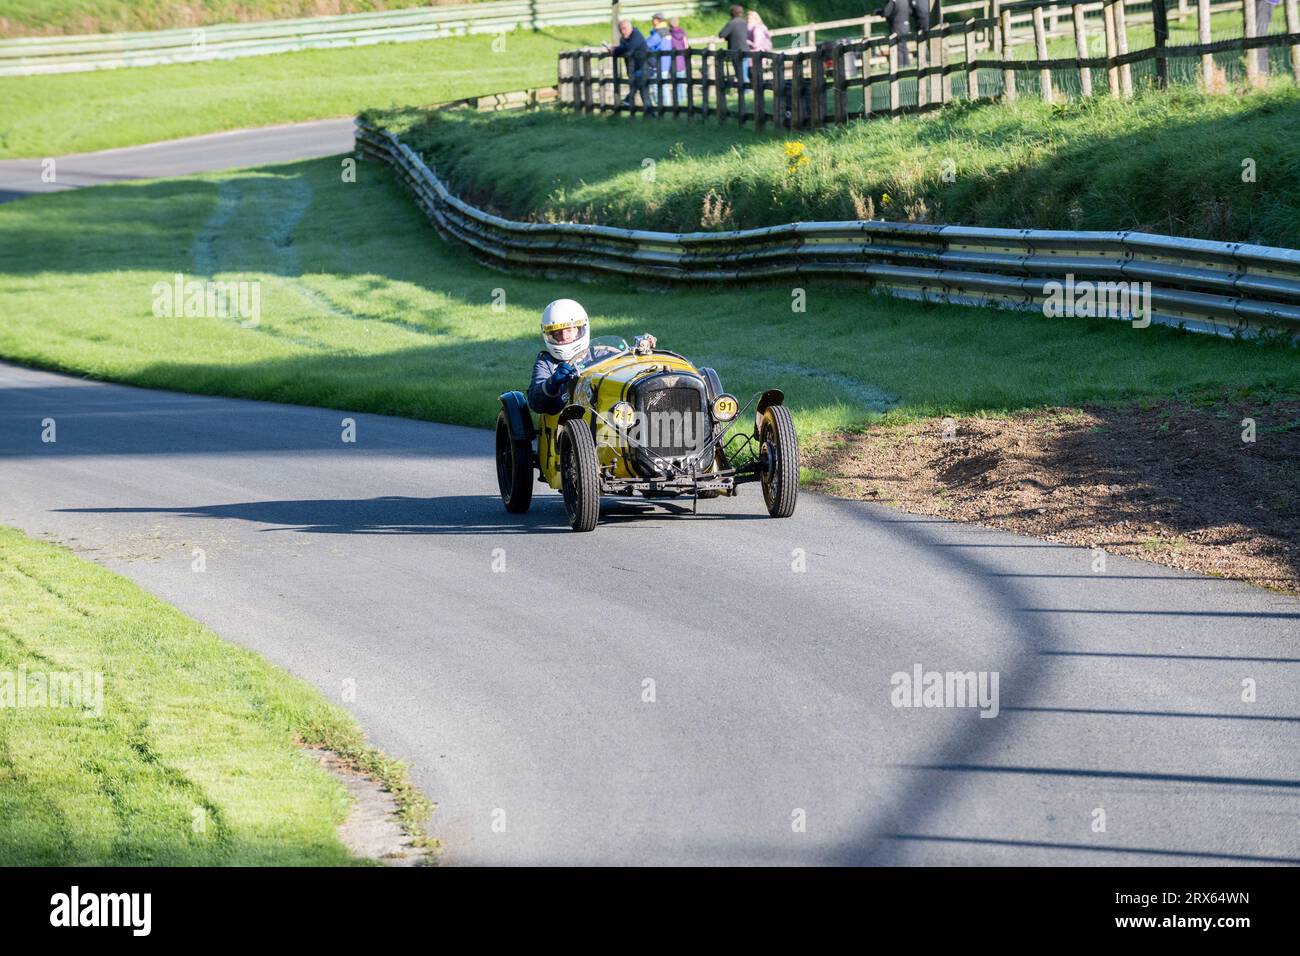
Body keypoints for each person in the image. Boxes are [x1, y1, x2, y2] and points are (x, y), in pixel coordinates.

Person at [527, 300, 657, 415]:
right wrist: (552, 382)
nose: (564, 336)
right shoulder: (546, 362)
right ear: (549, 335)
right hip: (563, 423)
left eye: (569, 330)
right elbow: (535, 404)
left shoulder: (601, 354)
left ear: (581, 329)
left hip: (602, 413)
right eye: (557, 332)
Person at [605, 19, 650, 109]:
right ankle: (651, 113)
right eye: (621, 30)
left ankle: (628, 99)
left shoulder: (636, 35)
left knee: (638, 80)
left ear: (630, 27)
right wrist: (615, 50)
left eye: (624, 29)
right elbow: (622, 49)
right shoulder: (624, 39)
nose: (623, 31)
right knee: (643, 92)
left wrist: (616, 49)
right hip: (634, 68)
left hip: (645, 67)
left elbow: (629, 48)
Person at [879, 0, 928, 68]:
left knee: (898, 46)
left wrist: (879, 12)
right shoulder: (905, 1)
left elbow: (886, 12)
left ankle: (901, 64)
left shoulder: (894, 1)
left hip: (897, 25)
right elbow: (910, 11)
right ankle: (907, 64)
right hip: (906, 24)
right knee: (904, 46)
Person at [717, 4, 749, 86]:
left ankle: (746, 90)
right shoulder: (744, 22)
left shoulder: (731, 23)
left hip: (735, 51)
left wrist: (728, 37)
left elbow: (722, 34)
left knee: (740, 73)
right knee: (744, 71)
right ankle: (747, 89)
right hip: (745, 49)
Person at [645, 13, 672, 107]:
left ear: (658, 20)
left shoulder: (659, 33)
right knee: (664, 86)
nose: (652, 21)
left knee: (657, 87)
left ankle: (660, 107)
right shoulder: (666, 31)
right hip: (665, 63)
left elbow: (647, 44)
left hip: (657, 64)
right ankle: (668, 108)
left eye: (653, 19)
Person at [745, 10, 773, 85]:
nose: (748, 20)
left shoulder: (758, 29)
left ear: (755, 19)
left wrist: (746, 41)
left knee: (755, 77)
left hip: (756, 56)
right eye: (747, 19)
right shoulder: (752, 28)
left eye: (750, 19)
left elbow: (756, 45)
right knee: (755, 77)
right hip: (755, 56)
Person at [669, 17, 690, 103]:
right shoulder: (683, 33)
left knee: (675, 83)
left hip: (673, 61)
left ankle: (678, 101)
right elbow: (686, 46)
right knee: (682, 82)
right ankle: (683, 101)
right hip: (682, 61)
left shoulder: (669, 34)